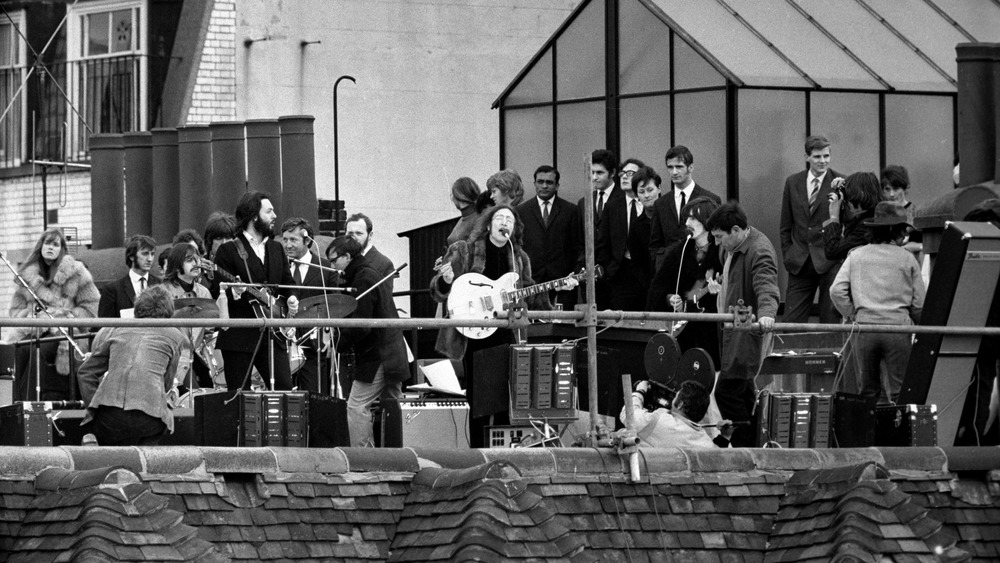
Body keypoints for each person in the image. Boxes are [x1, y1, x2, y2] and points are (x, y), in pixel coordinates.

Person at [430, 205, 571, 447]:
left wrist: (556, 288)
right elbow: (439, 290)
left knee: (507, 397)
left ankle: (505, 450)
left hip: (505, 333)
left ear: (514, 229)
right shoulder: (465, 250)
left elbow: (530, 294)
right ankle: (479, 451)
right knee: (480, 402)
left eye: (510, 220)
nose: (504, 222)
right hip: (474, 332)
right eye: (500, 218)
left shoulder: (518, 258)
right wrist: (445, 281)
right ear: (488, 223)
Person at [829, 201, 925, 403]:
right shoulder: (908, 259)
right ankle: (899, 433)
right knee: (901, 392)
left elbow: (836, 290)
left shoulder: (856, 256)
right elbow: (918, 304)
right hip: (898, 329)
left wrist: (853, 313)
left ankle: (870, 434)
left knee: (868, 391)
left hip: (864, 329)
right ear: (897, 232)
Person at [706, 201, 780, 447]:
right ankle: (753, 444)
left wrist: (767, 313)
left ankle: (746, 448)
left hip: (746, 335)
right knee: (744, 394)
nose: (717, 243)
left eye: (719, 237)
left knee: (726, 392)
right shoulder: (734, 246)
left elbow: (766, 285)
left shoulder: (759, 250)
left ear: (736, 230)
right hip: (734, 331)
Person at [77, 285, 186, 446]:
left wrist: (94, 406)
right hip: (150, 418)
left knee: (106, 431)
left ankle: (95, 441)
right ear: (169, 310)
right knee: (162, 418)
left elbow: (85, 372)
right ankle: (144, 460)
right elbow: (167, 384)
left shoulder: (118, 329)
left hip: (109, 416)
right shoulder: (175, 336)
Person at [328, 236, 410, 447]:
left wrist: (336, 344)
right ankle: (390, 457)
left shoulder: (363, 279)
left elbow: (361, 326)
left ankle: (363, 458)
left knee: (356, 406)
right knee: (394, 407)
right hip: (390, 352)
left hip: (378, 356)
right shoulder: (367, 274)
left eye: (334, 260)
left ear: (347, 257)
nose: (332, 266)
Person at [213, 191, 300, 391]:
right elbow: (216, 290)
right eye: (269, 211)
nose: (275, 216)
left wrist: (292, 298)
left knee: (285, 390)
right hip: (239, 338)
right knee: (240, 397)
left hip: (273, 335)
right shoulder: (229, 250)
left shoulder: (276, 248)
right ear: (254, 216)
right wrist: (234, 293)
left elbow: (288, 282)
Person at [6, 228, 100, 401]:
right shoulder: (28, 276)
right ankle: (13, 404)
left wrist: (68, 316)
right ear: (40, 247)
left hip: (66, 334)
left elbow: (91, 307)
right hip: (34, 329)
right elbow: (15, 311)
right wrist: (30, 315)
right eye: (47, 243)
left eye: (55, 244)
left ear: (62, 248)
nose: (51, 247)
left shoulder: (76, 272)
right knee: (17, 350)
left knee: (35, 349)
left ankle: (29, 404)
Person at [647, 196, 723, 368]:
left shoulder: (722, 251)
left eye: (693, 218)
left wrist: (718, 292)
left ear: (707, 220)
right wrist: (668, 298)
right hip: (683, 331)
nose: (687, 222)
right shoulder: (679, 252)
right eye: (687, 218)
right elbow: (657, 286)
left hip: (711, 332)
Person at [780, 135, 844, 324]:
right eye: (817, 157)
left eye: (826, 156)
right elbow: (785, 225)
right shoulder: (793, 182)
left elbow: (845, 222)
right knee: (791, 322)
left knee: (830, 321)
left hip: (829, 261)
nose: (822, 161)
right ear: (807, 157)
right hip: (800, 261)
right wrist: (788, 253)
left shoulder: (840, 182)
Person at [282, 217, 339, 393]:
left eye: (293, 240)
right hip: (283, 343)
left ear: (307, 240)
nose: (288, 245)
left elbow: (335, 305)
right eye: (285, 240)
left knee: (313, 395)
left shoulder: (325, 268)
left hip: (314, 346)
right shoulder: (279, 266)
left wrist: (330, 334)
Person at [516, 165, 583, 310]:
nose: (544, 186)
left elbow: (578, 247)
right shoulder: (521, 211)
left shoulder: (571, 211)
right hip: (532, 284)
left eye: (549, 182)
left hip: (563, 284)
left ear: (557, 185)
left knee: (561, 329)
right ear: (534, 184)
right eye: (540, 182)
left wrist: (573, 275)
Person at [649, 146, 722, 275]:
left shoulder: (710, 199)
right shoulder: (660, 204)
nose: (674, 172)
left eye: (679, 167)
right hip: (670, 272)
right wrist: (661, 265)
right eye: (670, 167)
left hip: (701, 271)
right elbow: (655, 244)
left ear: (690, 168)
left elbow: (717, 237)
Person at [596, 159, 652, 310]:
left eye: (630, 173)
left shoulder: (651, 203)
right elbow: (603, 242)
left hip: (648, 271)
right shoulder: (612, 206)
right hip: (620, 272)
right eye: (622, 173)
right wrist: (608, 270)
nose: (624, 177)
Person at [162, 242, 216, 389]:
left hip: (200, 356)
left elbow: (210, 330)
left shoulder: (203, 292)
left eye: (197, 259)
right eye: (189, 259)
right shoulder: (163, 292)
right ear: (176, 263)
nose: (196, 263)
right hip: (174, 356)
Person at [621, 380, 735, 448]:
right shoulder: (704, 441)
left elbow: (628, 415)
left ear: (680, 404)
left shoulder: (660, 421)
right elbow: (716, 455)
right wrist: (725, 437)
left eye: (675, 396)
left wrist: (640, 392)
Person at [577, 149, 622, 309]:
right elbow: (579, 239)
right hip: (590, 276)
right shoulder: (584, 202)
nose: (595, 177)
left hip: (617, 277)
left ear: (612, 173)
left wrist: (610, 271)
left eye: (600, 172)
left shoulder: (624, 198)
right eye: (592, 172)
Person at [823, 172, 882, 262]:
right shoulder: (877, 215)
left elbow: (832, 251)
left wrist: (834, 217)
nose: (847, 201)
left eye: (850, 196)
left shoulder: (868, 225)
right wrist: (843, 187)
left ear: (861, 195)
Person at [97, 234, 159, 318]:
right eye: (145, 254)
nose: (150, 259)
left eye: (152, 254)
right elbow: (104, 325)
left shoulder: (161, 285)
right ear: (132, 257)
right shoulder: (112, 290)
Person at [346, 213, 395, 292]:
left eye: (359, 233)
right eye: (350, 233)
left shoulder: (384, 263)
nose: (353, 238)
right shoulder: (341, 259)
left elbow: (385, 299)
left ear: (370, 235)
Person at [447, 177, 483, 246]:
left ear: (459, 196)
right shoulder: (464, 218)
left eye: (453, 194)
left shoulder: (476, 219)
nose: (452, 199)